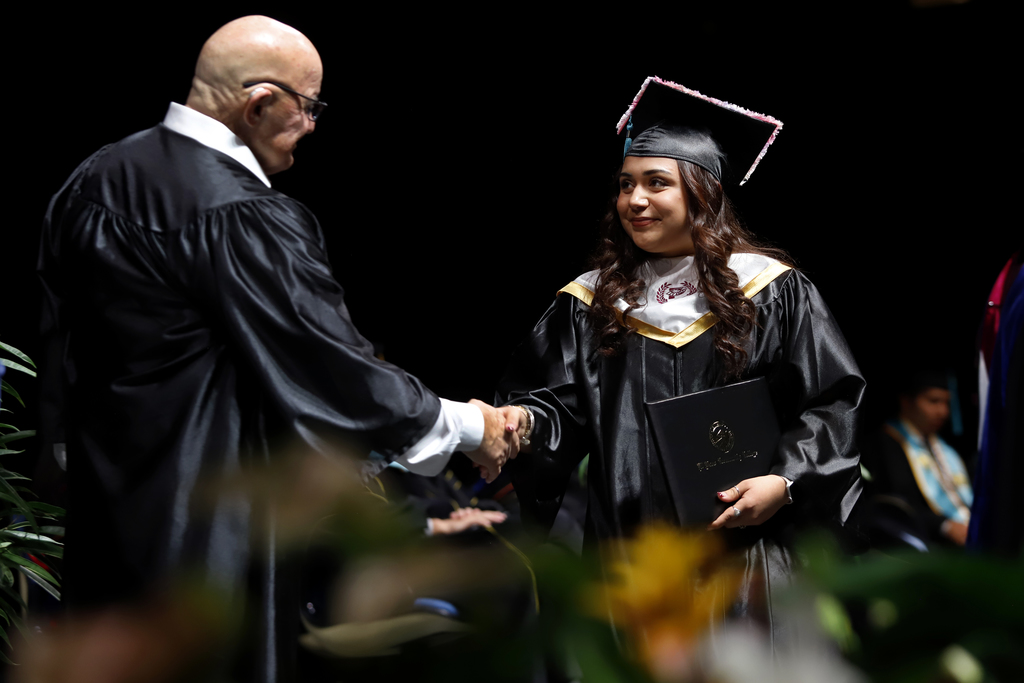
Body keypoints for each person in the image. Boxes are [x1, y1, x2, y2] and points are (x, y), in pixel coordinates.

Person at [37, 15, 518, 681]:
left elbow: (58, 361)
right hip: (210, 530)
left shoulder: (91, 181)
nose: (314, 126)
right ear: (260, 102)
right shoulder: (240, 212)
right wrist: (471, 425)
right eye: (309, 105)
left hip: (106, 519)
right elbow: (333, 366)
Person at [498, 77, 864, 643]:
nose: (634, 200)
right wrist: (519, 425)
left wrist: (785, 481)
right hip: (629, 559)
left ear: (702, 191)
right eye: (625, 185)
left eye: (656, 183)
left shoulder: (771, 291)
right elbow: (554, 410)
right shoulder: (590, 304)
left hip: (743, 558)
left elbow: (829, 403)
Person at [868, 372, 973, 548]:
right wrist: (944, 525)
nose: (943, 411)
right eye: (933, 401)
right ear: (906, 401)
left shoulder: (944, 447)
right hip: (923, 544)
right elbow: (897, 504)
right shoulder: (884, 444)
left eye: (947, 403)